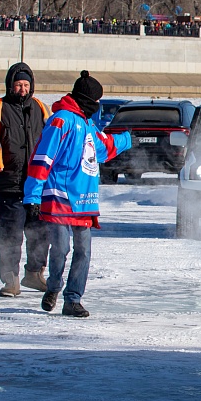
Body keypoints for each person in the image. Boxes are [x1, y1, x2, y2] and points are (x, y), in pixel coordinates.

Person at [24, 70, 132, 318]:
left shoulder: (88, 125)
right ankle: (53, 287)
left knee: (83, 251)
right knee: (61, 249)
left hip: (84, 200)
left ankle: (73, 299)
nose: (97, 105)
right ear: (87, 99)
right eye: (96, 100)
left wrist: (127, 138)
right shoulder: (61, 121)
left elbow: (103, 148)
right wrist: (33, 196)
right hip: (60, 198)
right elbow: (42, 158)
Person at [0, 62, 51, 297]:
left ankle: (34, 273)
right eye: (18, 85)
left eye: (26, 84)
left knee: (40, 233)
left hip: (37, 184)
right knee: (10, 236)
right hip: (7, 183)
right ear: (10, 85)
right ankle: (10, 279)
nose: (22, 89)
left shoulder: (40, 108)